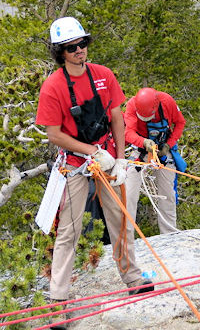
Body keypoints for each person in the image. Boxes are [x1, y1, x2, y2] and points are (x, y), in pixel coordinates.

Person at [36, 17, 153, 327]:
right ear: (60, 51)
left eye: (82, 44)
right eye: (72, 47)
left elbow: (117, 116)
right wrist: (91, 152)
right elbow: (53, 134)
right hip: (75, 162)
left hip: (107, 157)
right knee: (69, 232)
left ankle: (133, 278)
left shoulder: (103, 76)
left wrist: (119, 158)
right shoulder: (53, 87)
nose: (80, 51)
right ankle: (59, 298)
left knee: (121, 220)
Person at [124, 87, 186, 234]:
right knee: (128, 193)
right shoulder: (132, 105)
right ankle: (126, 236)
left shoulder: (166, 102)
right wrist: (144, 142)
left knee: (167, 194)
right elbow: (128, 133)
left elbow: (180, 123)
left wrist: (168, 145)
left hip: (162, 149)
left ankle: (169, 234)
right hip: (140, 149)